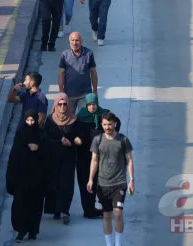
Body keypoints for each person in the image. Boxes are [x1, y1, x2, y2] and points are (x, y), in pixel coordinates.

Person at [88, 112, 135, 246]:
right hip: (103, 184)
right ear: (101, 125)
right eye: (104, 125)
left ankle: (118, 243)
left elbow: (129, 160)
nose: (107, 127)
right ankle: (109, 243)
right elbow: (94, 161)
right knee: (107, 215)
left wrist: (132, 180)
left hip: (119, 182)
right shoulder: (98, 140)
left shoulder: (123, 140)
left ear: (115, 123)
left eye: (110, 124)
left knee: (118, 213)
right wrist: (91, 179)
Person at [6, 110, 49, 242]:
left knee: (35, 205)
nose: (30, 123)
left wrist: (38, 149)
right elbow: (14, 156)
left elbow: (48, 156)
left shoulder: (42, 135)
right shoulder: (20, 135)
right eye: (28, 120)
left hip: (37, 179)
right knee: (19, 205)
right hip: (21, 178)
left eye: (32, 120)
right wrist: (26, 148)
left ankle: (32, 231)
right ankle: (20, 230)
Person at [44, 92, 83, 225]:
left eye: (65, 104)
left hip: (68, 157)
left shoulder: (74, 120)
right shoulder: (50, 120)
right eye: (59, 104)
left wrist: (72, 142)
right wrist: (59, 142)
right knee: (54, 183)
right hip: (52, 157)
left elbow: (79, 137)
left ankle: (65, 210)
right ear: (55, 105)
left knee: (66, 184)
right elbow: (45, 139)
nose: (62, 107)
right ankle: (55, 209)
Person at [76, 93, 115, 219]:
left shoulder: (103, 114)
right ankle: (89, 209)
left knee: (102, 181)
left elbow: (115, 123)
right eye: (89, 105)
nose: (92, 107)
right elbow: (75, 132)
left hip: (100, 156)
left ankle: (105, 207)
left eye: (94, 104)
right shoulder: (80, 117)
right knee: (86, 183)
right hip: (84, 156)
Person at [58, 32, 98, 114]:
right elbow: (61, 73)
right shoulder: (65, 55)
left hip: (85, 94)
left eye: (77, 40)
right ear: (69, 41)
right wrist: (61, 91)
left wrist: (95, 90)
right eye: (72, 40)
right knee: (68, 118)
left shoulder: (89, 54)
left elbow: (93, 72)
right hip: (69, 94)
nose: (74, 43)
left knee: (83, 118)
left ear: (81, 41)